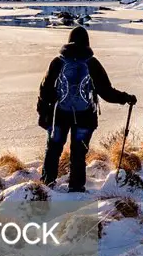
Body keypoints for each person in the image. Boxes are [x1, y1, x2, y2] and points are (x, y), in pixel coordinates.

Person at [36, 26, 137, 192]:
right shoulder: (92, 63)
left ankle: (47, 185)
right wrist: (125, 98)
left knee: (53, 149)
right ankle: (76, 188)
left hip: (59, 114)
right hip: (85, 117)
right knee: (78, 153)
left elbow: (45, 89)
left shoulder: (58, 62)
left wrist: (42, 113)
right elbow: (106, 92)